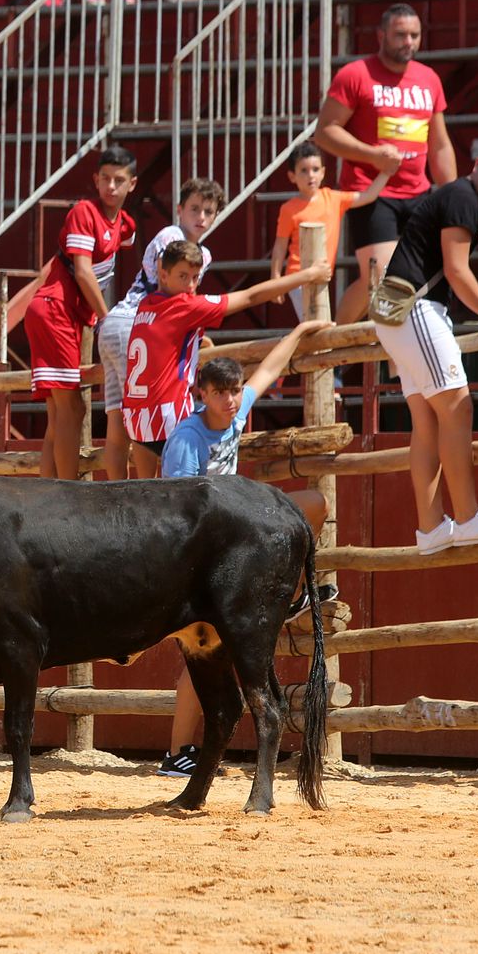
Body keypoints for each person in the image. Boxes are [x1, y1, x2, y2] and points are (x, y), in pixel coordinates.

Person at [156, 321, 332, 777]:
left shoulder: (235, 414)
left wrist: (299, 330)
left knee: (312, 505)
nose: (232, 400)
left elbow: (271, 369)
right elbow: (175, 508)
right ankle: (177, 754)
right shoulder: (186, 439)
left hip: (233, 542)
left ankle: (286, 594)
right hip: (199, 557)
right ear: (203, 394)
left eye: (235, 391)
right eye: (222, 393)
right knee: (202, 654)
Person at [358, 136, 478, 554]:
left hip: (398, 317)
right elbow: (456, 270)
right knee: (457, 406)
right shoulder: (462, 196)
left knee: (428, 421)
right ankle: (468, 517)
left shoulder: (466, 200)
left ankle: (431, 528)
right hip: (417, 310)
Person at [123, 240, 331, 481]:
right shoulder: (185, 306)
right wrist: (307, 275)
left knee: (145, 490)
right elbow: (251, 297)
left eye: (195, 278)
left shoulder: (146, 305)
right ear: (162, 273)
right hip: (169, 418)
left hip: (137, 419)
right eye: (183, 276)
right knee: (188, 483)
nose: (190, 286)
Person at [315, 3, 455, 325]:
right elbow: (324, 132)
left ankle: (401, 363)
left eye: (415, 35)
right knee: (377, 277)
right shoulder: (355, 75)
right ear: (381, 35)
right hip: (371, 192)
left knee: (415, 281)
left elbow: (440, 143)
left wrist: (452, 197)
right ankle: (331, 349)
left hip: (418, 194)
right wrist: (372, 155)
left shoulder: (428, 79)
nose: (409, 42)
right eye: (400, 35)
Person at [98, 177, 225, 479]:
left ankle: (117, 495)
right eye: (195, 209)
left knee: (120, 417)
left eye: (209, 211)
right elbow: (169, 299)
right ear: (180, 210)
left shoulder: (198, 251)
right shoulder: (172, 237)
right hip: (138, 326)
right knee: (146, 412)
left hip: (116, 322)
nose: (201, 217)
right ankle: (145, 491)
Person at [25, 146, 138, 480]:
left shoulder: (124, 225)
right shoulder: (84, 212)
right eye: (105, 179)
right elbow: (84, 272)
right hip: (54, 310)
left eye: (120, 180)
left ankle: (48, 493)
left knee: (58, 416)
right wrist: (109, 318)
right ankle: (69, 492)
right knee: (72, 408)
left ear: (132, 184)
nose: (111, 187)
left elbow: (127, 245)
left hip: (66, 316)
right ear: (96, 179)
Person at [271, 141, 398, 313]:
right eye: (304, 170)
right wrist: (276, 279)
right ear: (292, 176)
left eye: (315, 169)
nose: (311, 175)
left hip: (322, 275)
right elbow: (280, 246)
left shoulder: (333, 198)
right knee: (315, 324)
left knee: (316, 325)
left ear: (323, 172)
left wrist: (386, 173)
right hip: (298, 277)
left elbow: (368, 196)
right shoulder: (288, 209)